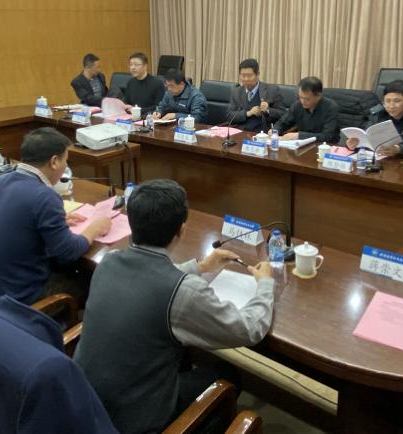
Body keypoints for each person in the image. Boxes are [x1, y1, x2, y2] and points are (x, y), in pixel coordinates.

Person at [74, 179, 274, 434]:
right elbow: (249, 330)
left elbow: (149, 275)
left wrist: (201, 267)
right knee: (227, 374)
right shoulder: (183, 291)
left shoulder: (108, 261)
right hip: (134, 422)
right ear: (181, 230)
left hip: (84, 404)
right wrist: (266, 283)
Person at [0, 128, 112, 305]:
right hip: (20, 298)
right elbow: (68, 252)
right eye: (65, 161)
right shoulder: (45, 196)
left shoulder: (1, 181)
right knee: (97, 278)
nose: (65, 166)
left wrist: (58, 221)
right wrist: (94, 228)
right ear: (54, 161)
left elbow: (22, 220)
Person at [345, 80, 403, 157]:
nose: (391, 106)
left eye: (397, 101)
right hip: (379, 158)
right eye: (387, 101)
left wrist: (400, 149)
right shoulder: (377, 113)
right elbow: (365, 135)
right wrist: (354, 143)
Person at [273, 76, 340, 143]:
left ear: (318, 95)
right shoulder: (297, 105)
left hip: (326, 146)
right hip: (302, 144)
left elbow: (327, 136)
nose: (302, 101)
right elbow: (282, 122)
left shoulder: (331, 107)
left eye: (307, 99)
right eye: (300, 97)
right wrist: (275, 131)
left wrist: (299, 135)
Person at [228, 58, 286, 132]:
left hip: (262, 134)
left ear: (257, 74)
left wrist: (268, 110)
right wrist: (248, 113)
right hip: (240, 133)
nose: (246, 79)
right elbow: (229, 115)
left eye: (249, 76)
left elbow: (283, 115)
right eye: (243, 75)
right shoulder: (236, 91)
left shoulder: (272, 90)